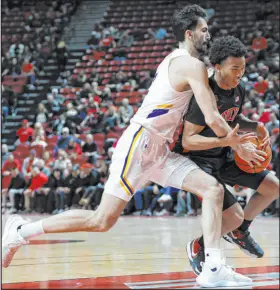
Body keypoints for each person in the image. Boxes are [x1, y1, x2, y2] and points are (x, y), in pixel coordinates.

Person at [2, 5, 261, 287]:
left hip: (162, 151)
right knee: (101, 221)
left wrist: (244, 126)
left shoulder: (193, 65)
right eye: (204, 29)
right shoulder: (190, 64)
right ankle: (21, 230)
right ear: (189, 33)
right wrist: (237, 144)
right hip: (142, 142)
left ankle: (213, 267)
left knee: (211, 189)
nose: (208, 34)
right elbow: (211, 115)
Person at [172, 35, 279, 275]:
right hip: (199, 162)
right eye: (235, 68)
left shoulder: (238, 88)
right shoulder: (205, 94)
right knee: (232, 216)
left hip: (225, 154)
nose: (240, 73)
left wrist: (256, 126)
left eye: (243, 68)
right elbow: (189, 140)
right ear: (217, 66)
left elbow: (233, 119)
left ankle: (240, 232)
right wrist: (232, 142)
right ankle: (198, 247)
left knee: (273, 187)